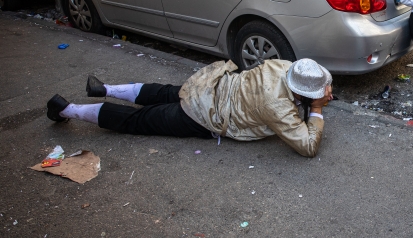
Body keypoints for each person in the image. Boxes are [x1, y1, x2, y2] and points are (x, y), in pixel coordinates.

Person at [45, 59, 333, 158]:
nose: (329, 94)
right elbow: (308, 146)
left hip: (209, 85)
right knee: (141, 120)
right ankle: (66, 110)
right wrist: (316, 109)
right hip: (204, 115)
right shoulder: (279, 107)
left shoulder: (284, 66)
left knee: (162, 92)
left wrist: (311, 99)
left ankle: (105, 89)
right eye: (324, 91)